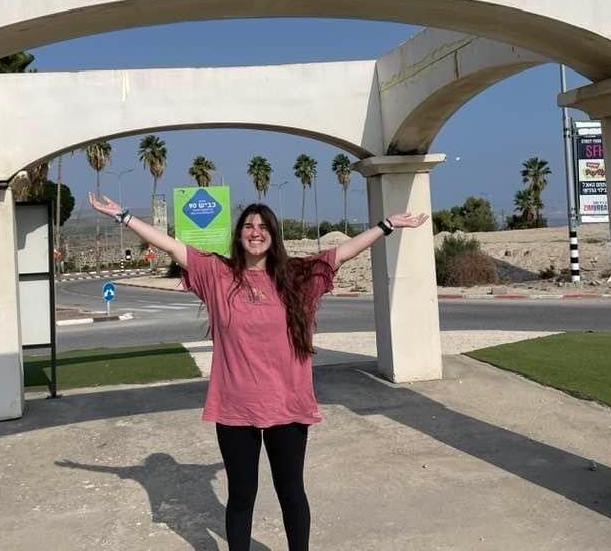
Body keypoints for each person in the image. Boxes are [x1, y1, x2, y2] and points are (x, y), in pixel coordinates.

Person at [89, 192, 427, 551]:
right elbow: (171, 246)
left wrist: (386, 225)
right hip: (235, 406)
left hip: (288, 404)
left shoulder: (296, 277)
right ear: (239, 235)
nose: (255, 231)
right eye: (249, 226)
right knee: (240, 496)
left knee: (291, 492)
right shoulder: (217, 274)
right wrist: (123, 215)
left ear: (273, 235)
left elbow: (342, 253)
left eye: (263, 226)